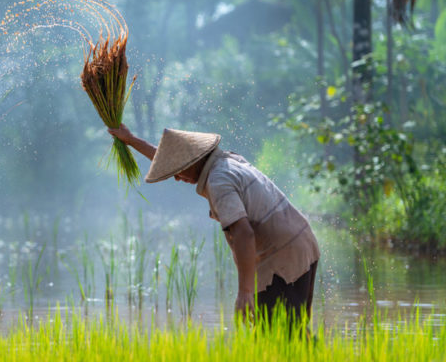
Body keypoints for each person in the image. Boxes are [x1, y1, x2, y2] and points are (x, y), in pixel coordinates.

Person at [108, 124, 320, 325]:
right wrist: (132, 140)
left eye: (178, 170)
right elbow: (173, 160)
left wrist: (245, 292)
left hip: (282, 257)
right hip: (301, 243)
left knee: (279, 337)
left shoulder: (219, 181)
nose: (176, 177)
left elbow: (244, 234)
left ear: (192, 161)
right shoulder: (227, 161)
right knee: (292, 336)